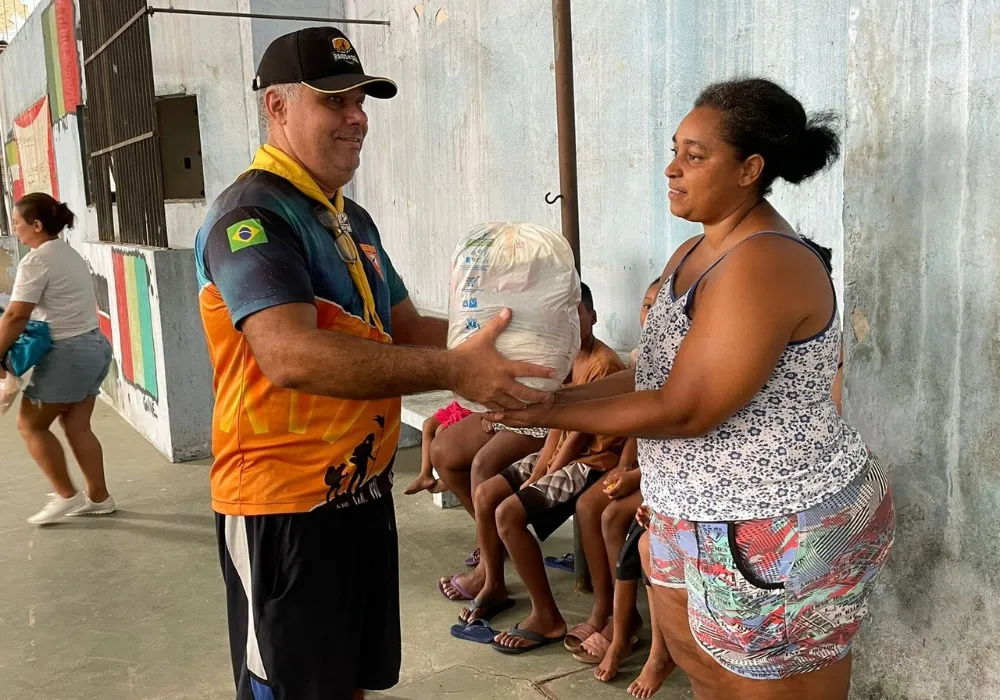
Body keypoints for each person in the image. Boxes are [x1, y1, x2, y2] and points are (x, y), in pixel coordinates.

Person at [491, 78, 894, 699]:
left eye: (695, 155)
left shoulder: (765, 262)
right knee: (703, 669)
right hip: (693, 511)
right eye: (675, 149)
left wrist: (548, 404)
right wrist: (548, 399)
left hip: (774, 522)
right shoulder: (693, 253)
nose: (672, 168)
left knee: (765, 689)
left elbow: (687, 407)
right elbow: (656, 378)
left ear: (749, 169)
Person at [196, 27, 553, 700]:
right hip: (281, 506)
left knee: (349, 680)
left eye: (361, 99)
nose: (357, 116)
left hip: (358, 495)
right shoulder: (252, 217)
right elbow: (290, 355)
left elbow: (407, 325)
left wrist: (528, 342)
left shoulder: (350, 220)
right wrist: (456, 371)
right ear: (276, 107)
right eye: (334, 100)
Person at [459, 284, 627, 652]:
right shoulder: (565, 359)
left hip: (592, 461)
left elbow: (580, 433)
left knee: (509, 513)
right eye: (562, 315)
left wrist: (548, 473)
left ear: (593, 317)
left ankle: (547, 616)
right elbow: (556, 425)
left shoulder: (604, 363)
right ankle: (493, 583)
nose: (570, 321)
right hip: (565, 452)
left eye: (577, 313)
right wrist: (538, 471)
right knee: (487, 493)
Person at [0, 193, 114, 525]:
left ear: (36, 225)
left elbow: (15, 316)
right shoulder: (67, 253)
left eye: (18, 224)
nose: (16, 230)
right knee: (77, 425)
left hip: (67, 354)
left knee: (30, 425)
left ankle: (65, 495)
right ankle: (99, 498)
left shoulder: (37, 261)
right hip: (95, 348)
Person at [568, 278, 661, 658]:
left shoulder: (695, 360)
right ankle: (603, 609)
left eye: (662, 307)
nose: (653, 314)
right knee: (589, 506)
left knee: (609, 517)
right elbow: (636, 421)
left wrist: (634, 474)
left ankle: (624, 623)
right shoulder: (643, 358)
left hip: (665, 473)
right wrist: (625, 465)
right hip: (643, 465)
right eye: (647, 305)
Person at [403, 401, 473, 495]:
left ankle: (449, 478)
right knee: (428, 424)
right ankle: (425, 475)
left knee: (442, 431)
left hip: (478, 408)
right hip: (465, 403)